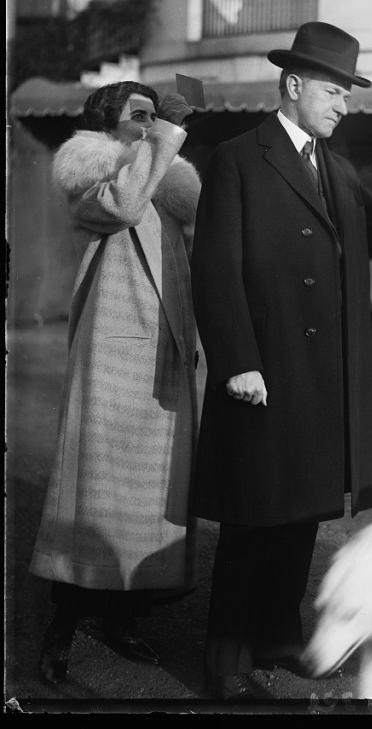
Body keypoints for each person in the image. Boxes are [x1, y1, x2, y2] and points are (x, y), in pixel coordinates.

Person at [190, 21, 372, 700]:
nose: (343, 105)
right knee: (251, 519)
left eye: (347, 94)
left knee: (299, 515)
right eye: (334, 91)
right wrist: (237, 359)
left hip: (324, 378)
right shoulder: (241, 157)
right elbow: (214, 267)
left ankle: (277, 633)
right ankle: (225, 660)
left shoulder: (336, 170)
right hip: (263, 373)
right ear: (294, 85)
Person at [29, 80, 202, 685]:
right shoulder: (91, 174)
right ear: (109, 124)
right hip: (111, 359)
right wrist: (168, 138)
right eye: (140, 115)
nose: (151, 123)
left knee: (149, 497)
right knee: (94, 492)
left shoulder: (165, 182)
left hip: (166, 353)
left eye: (157, 115)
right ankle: (63, 624)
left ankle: (125, 616)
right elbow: (124, 207)